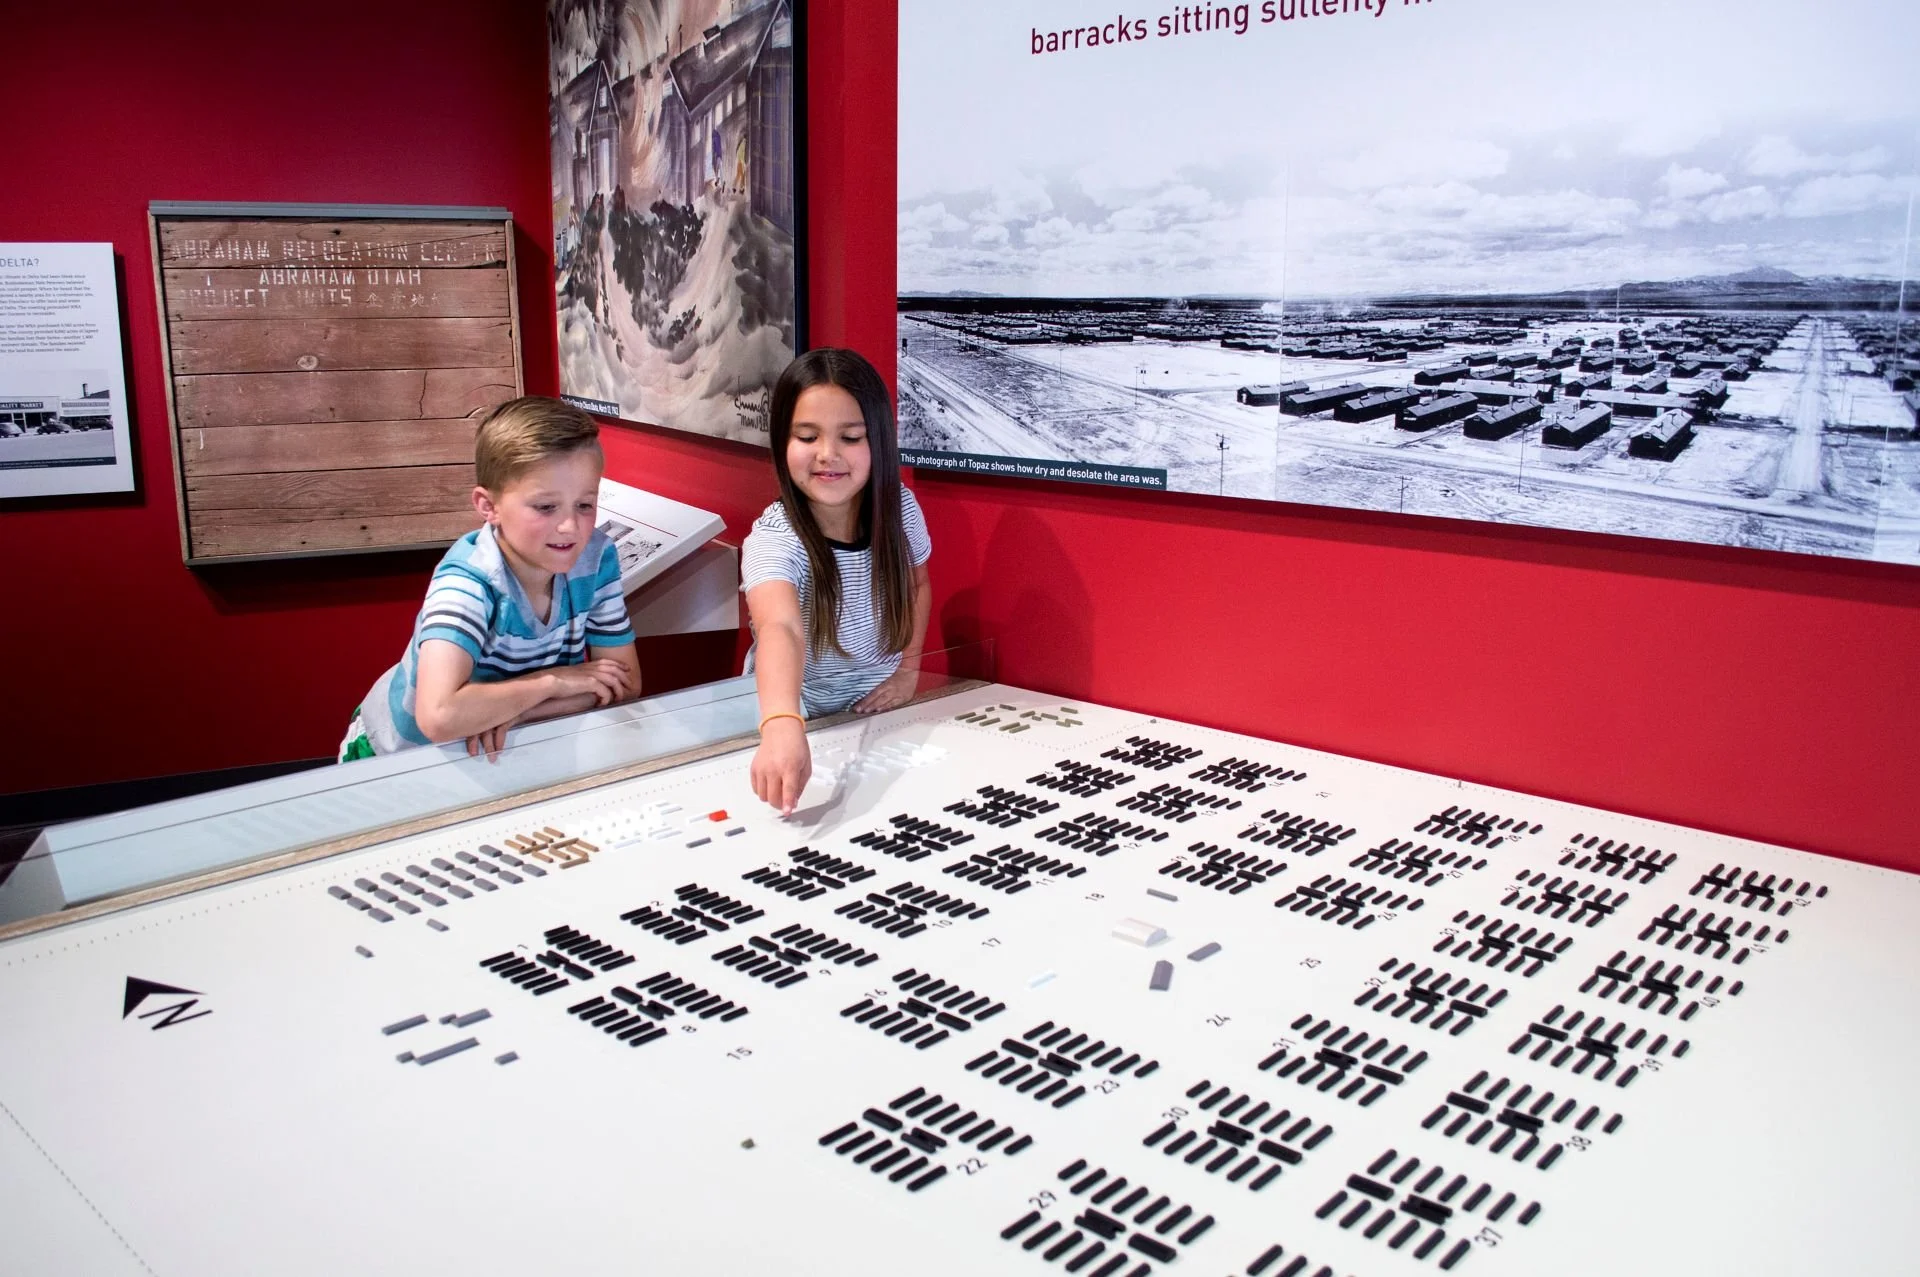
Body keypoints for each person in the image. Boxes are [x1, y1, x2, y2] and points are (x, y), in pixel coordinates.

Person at [339, 397, 641, 762]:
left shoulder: (596, 557)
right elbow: (439, 716)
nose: (570, 527)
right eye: (545, 507)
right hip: (398, 755)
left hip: (498, 743)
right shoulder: (467, 583)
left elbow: (624, 683)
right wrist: (554, 682)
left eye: (585, 504)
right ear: (488, 506)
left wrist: (518, 711)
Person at [743, 348, 932, 815]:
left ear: (879, 442)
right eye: (807, 436)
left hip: (878, 710)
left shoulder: (900, 509)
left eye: (850, 437)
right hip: (788, 715)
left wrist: (908, 671)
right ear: (782, 441)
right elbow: (778, 627)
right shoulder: (774, 538)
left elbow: (917, 584)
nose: (828, 455)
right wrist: (783, 722)